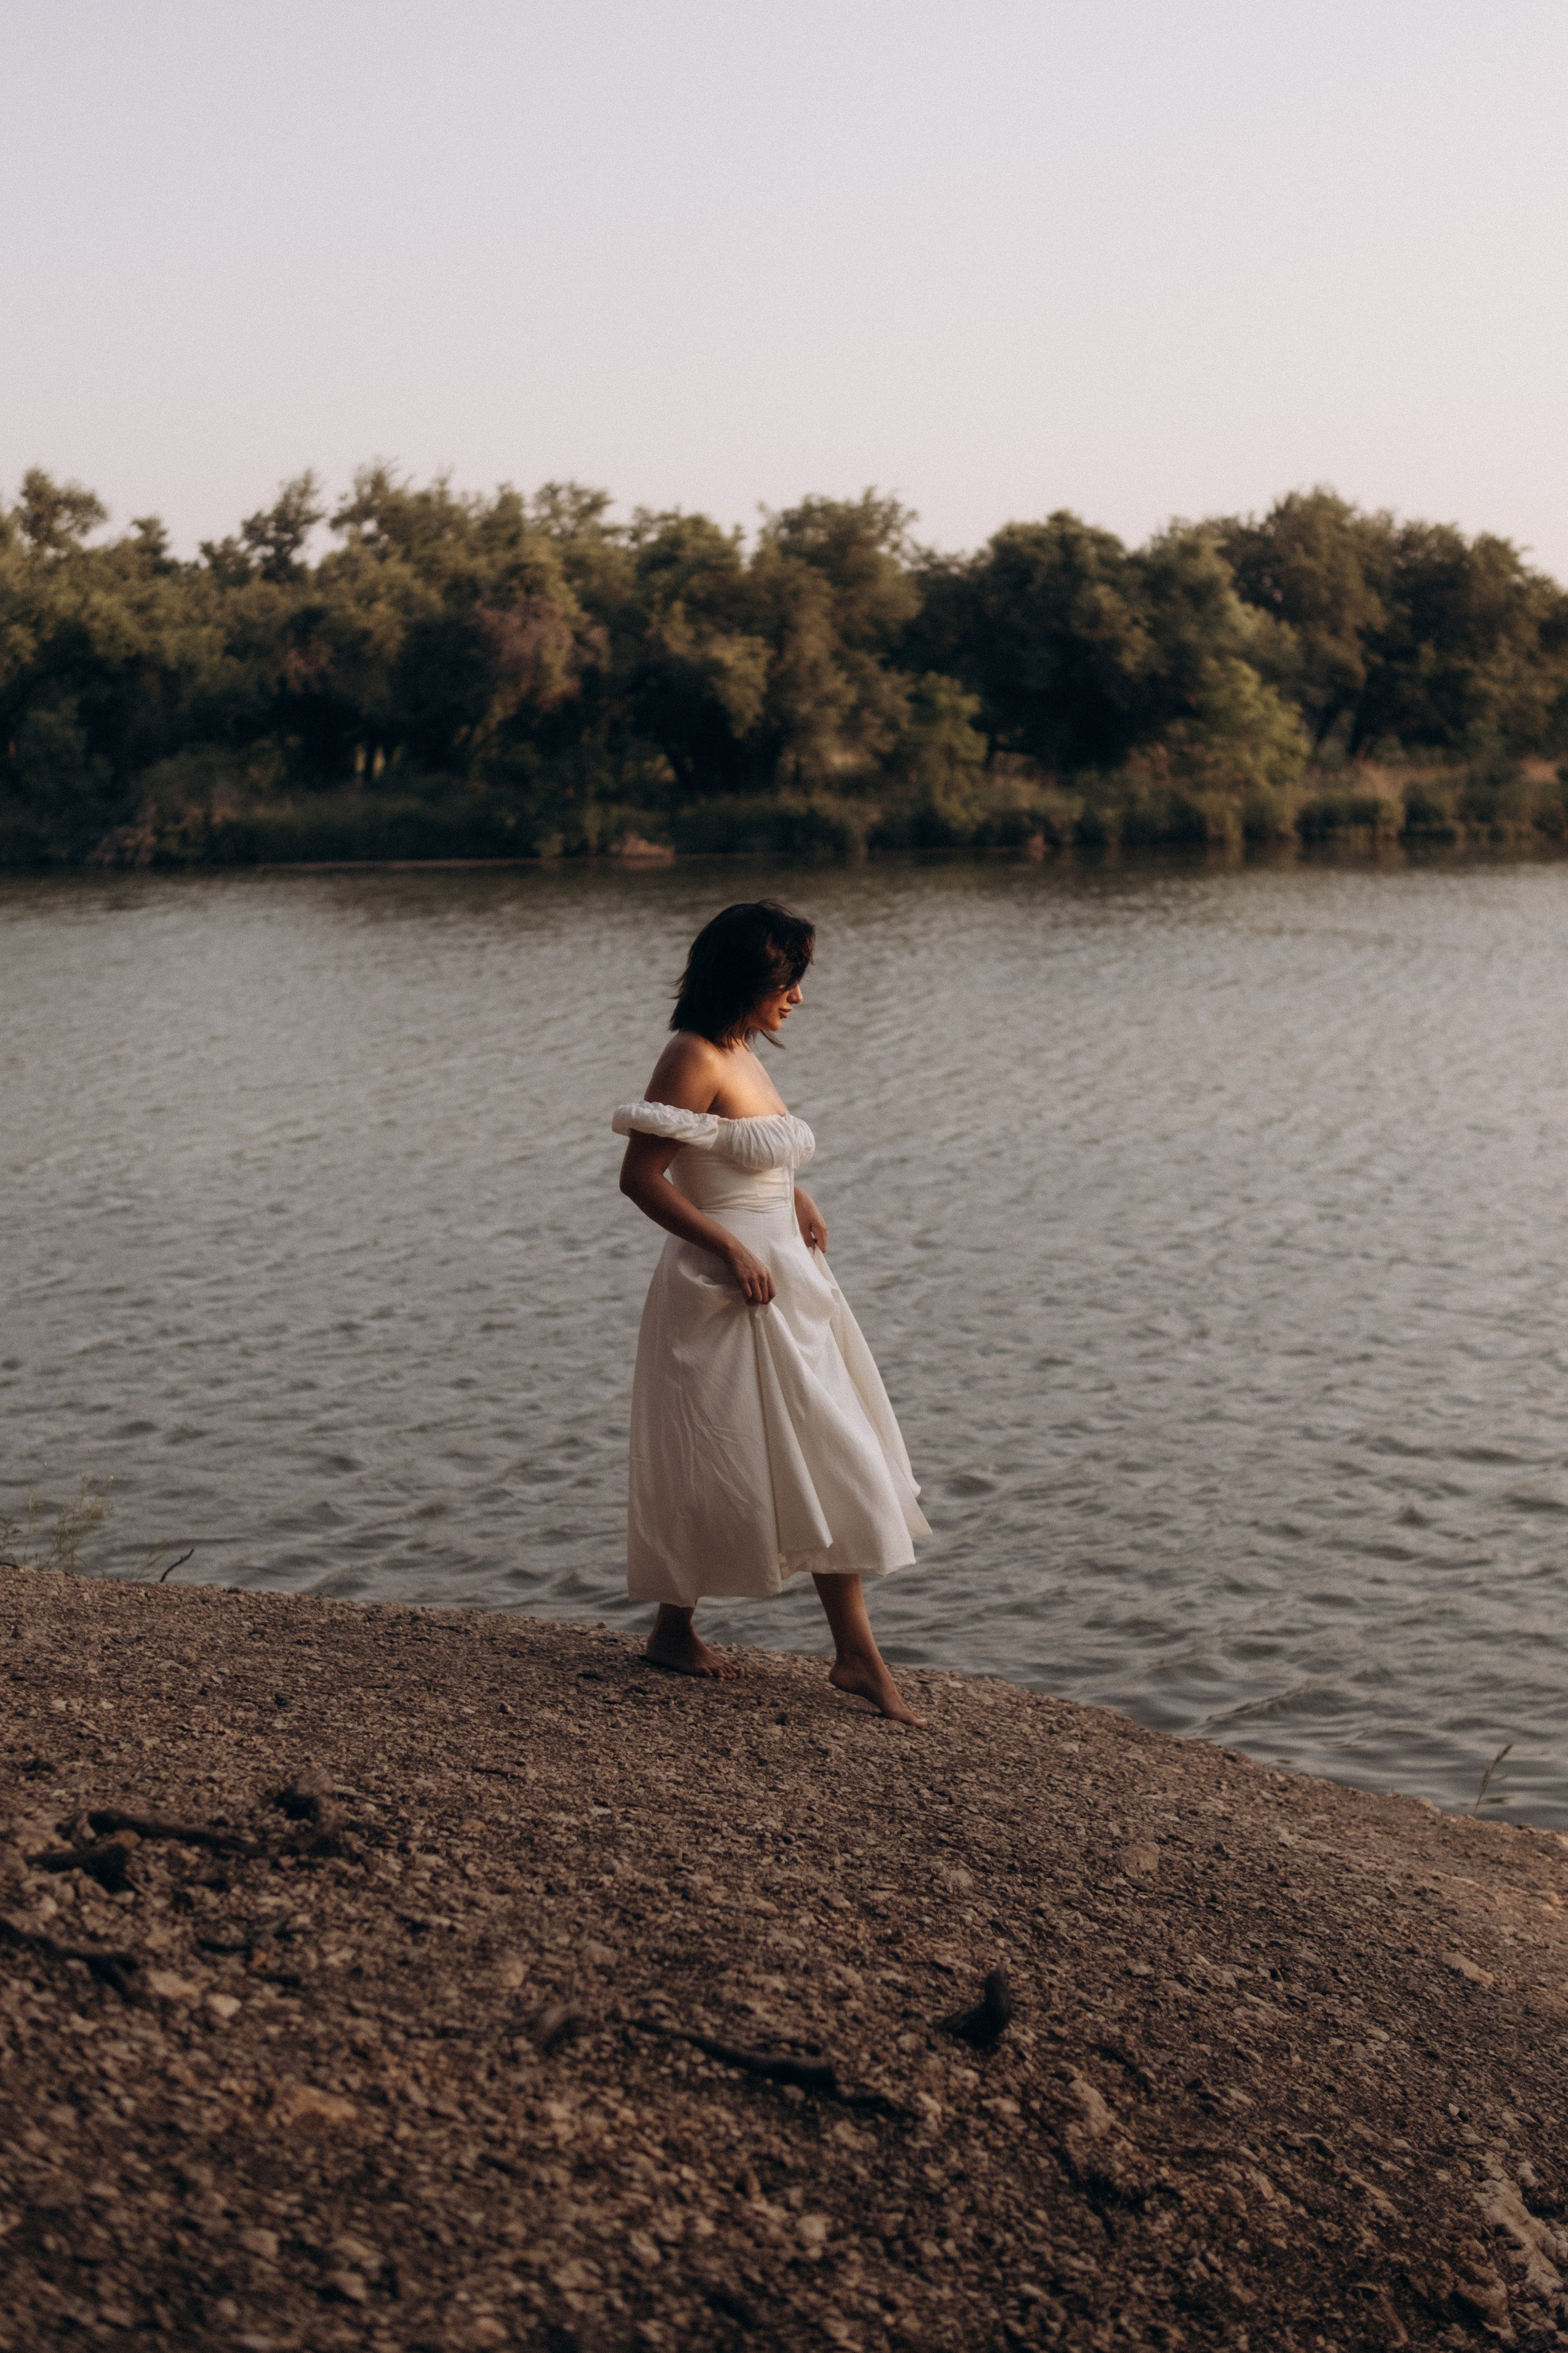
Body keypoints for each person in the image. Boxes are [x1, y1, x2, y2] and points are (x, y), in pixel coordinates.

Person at [614, 899, 929, 1724]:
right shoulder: (691, 1054)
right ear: (745, 976)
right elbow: (643, 1177)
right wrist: (730, 1245)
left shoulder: (742, 1049)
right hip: (727, 1285)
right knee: (720, 1455)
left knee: (829, 1452)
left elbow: (750, 1150)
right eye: (787, 981)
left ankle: (850, 1654)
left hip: (788, 1275)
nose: (796, 997)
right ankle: (682, 1631)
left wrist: (799, 1198)